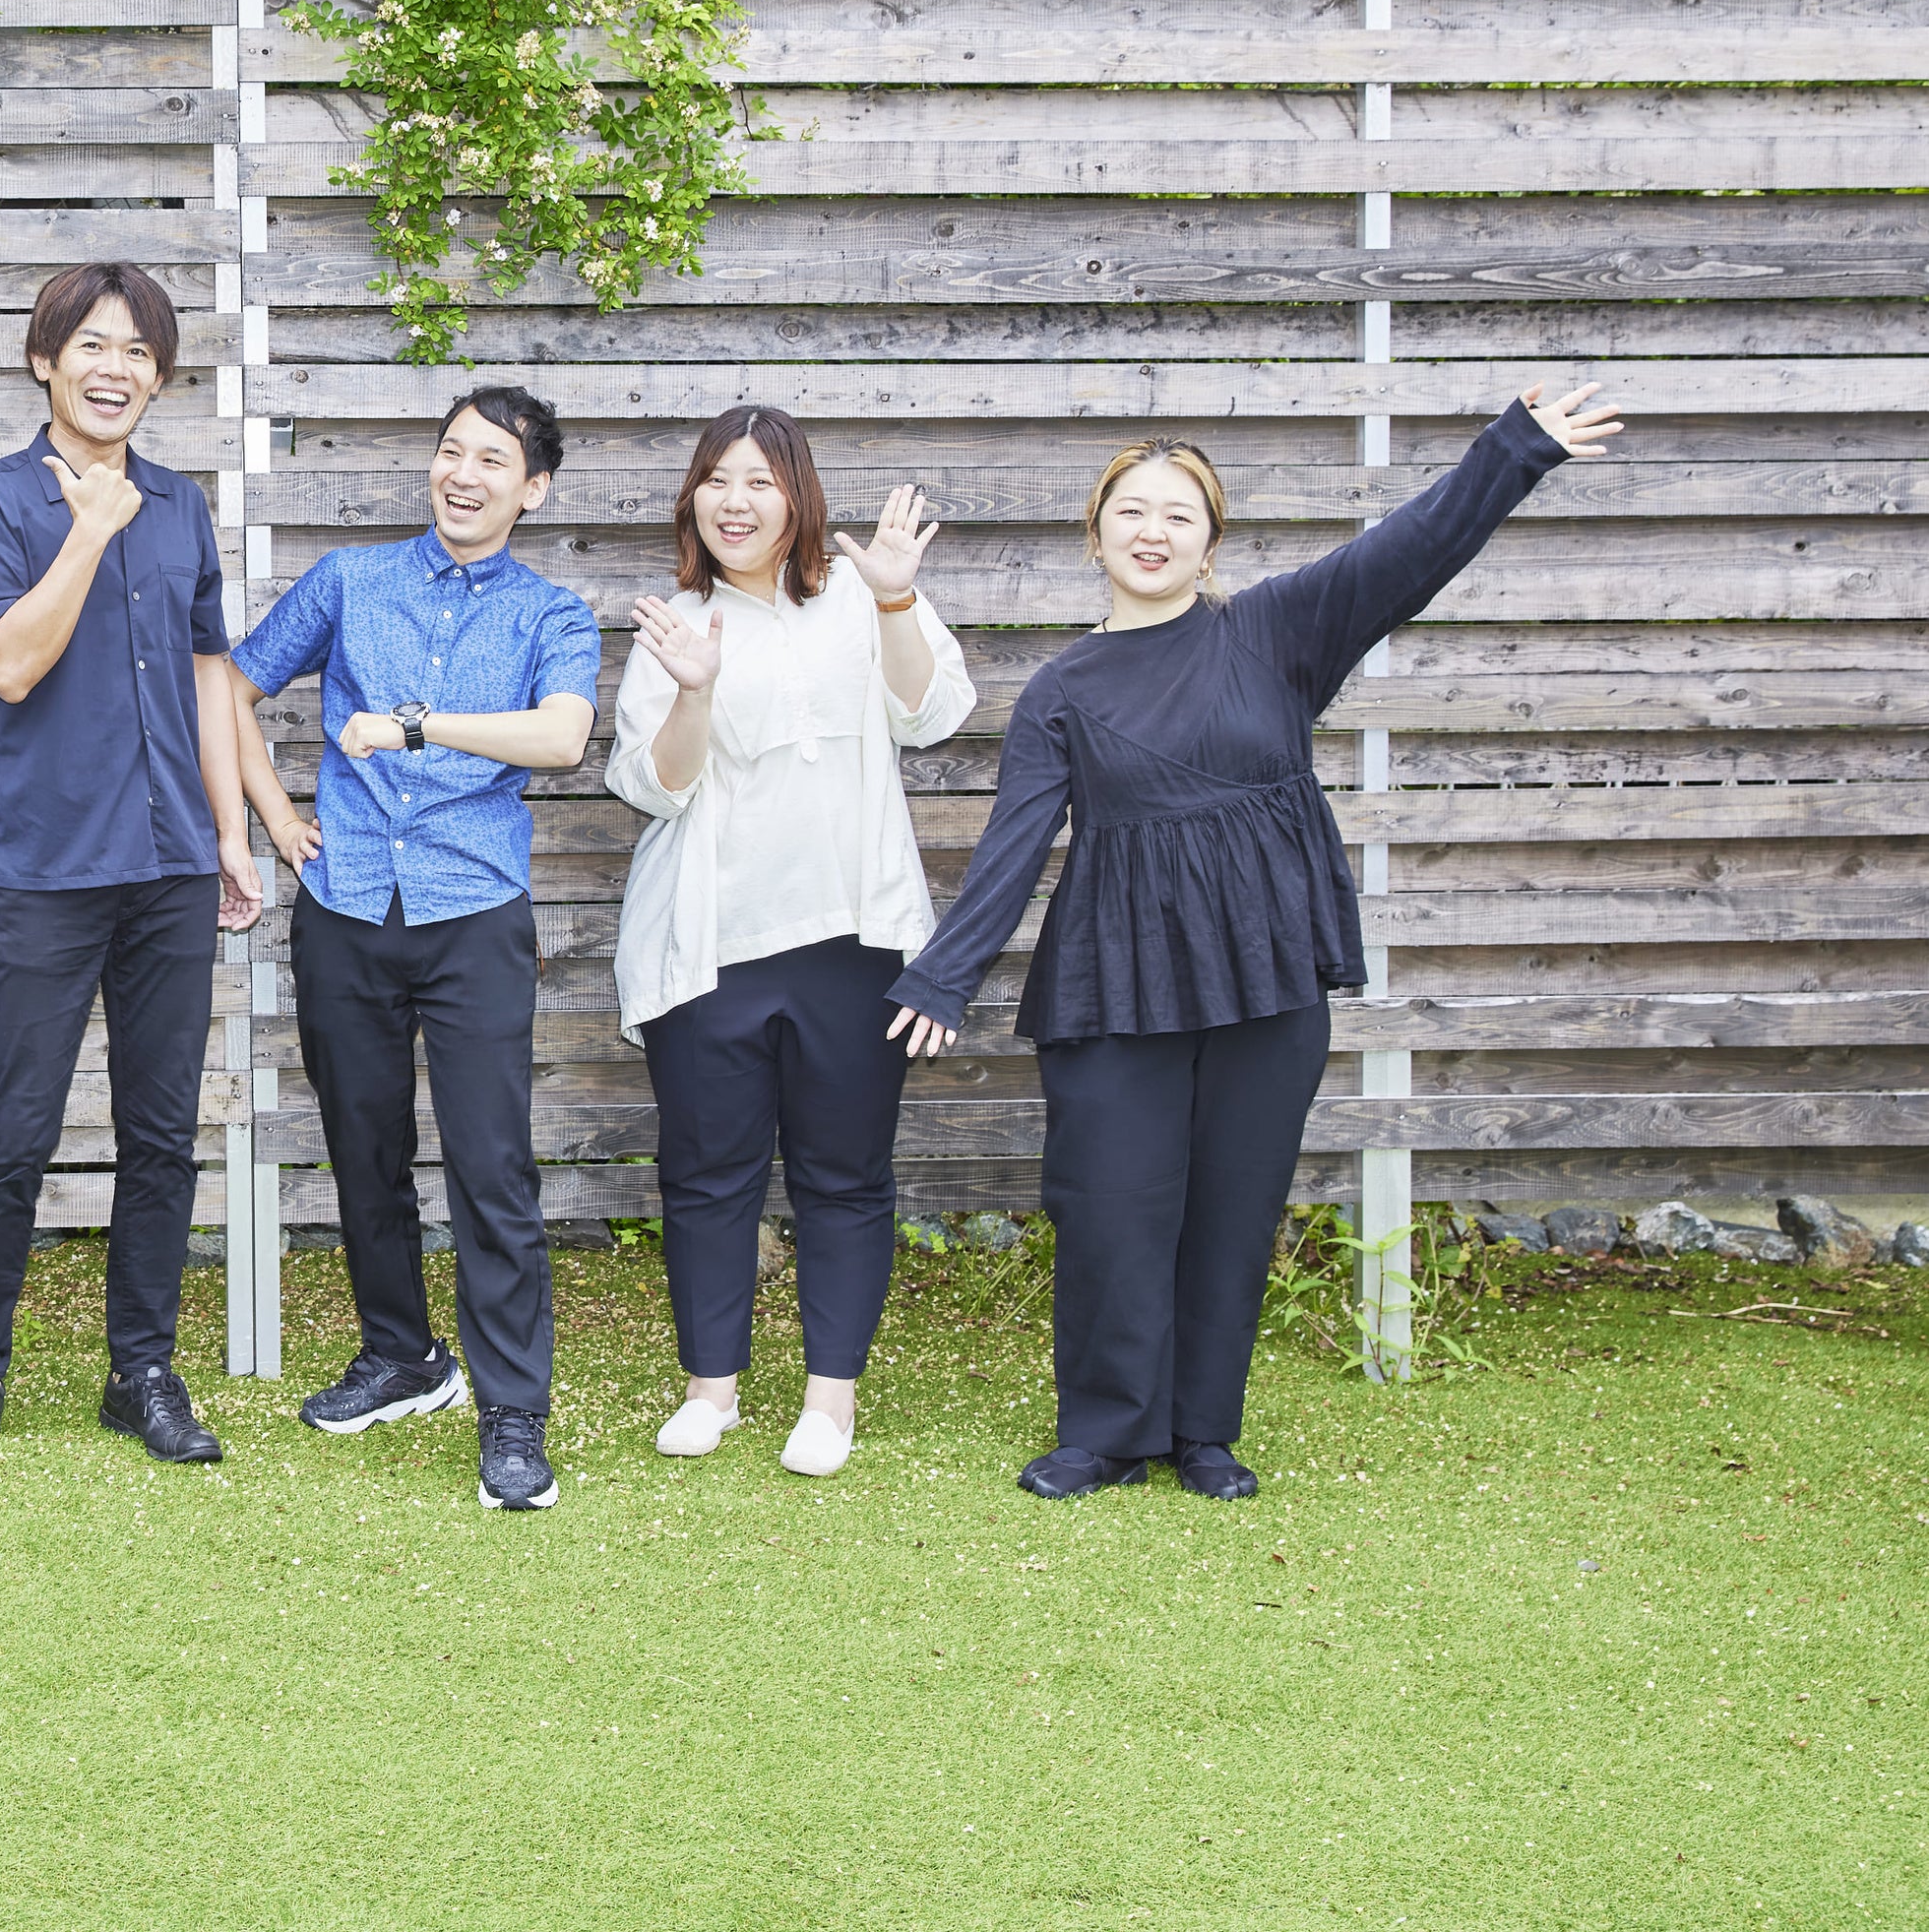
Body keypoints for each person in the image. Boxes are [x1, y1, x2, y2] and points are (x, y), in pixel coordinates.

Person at [889, 383, 1622, 1502]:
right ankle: (1103, 1434)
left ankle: (1203, 1434)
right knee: (1110, 1208)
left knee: (1233, 1209)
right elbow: (1013, 847)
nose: (1152, 532)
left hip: (1265, 974)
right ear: (1096, 534)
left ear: (1210, 540)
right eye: (1132, 511)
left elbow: (1411, 548)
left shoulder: (1276, 632)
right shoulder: (1061, 690)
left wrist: (1514, 448)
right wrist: (942, 978)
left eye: (1178, 514)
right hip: (1116, 982)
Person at [225, 386, 598, 1512]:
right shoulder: (351, 580)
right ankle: (402, 1356)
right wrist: (275, 819)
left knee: (492, 1166)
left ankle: (513, 1414)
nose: (463, 475)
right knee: (362, 1148)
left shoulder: (552, 614)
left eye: (492, 460)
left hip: (474, 911)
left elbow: (563, 738)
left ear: (533, 489)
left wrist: (418, 727)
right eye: (450, 452)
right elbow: (228, 684)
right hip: (345, 906)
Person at [0, 260, 262, 1465]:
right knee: (14, 1131)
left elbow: (210, 672)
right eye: (92, 346)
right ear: (44, 361)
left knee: (161, 1134)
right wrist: (88, 532)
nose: (115, 369)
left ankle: (143, 1373)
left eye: (138, 351)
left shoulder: (181, 506)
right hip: (43, 867)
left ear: (159, 377)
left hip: (170, 861)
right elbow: (11, 667)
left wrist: (231, 830)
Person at [605, 405, 972, 1479]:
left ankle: (829, 1401)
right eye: (716, 479)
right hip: (708, 948)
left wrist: (896, 596)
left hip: (854, 939)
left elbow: (931, 712)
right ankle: (711, 1391)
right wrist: (694, 689)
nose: (735, 500)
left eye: (759, 480)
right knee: (706, 1174)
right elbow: (656, 786)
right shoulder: (677, 623)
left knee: (844, 1174)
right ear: (693, 500)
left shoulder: (863, 594)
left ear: (796, 496)